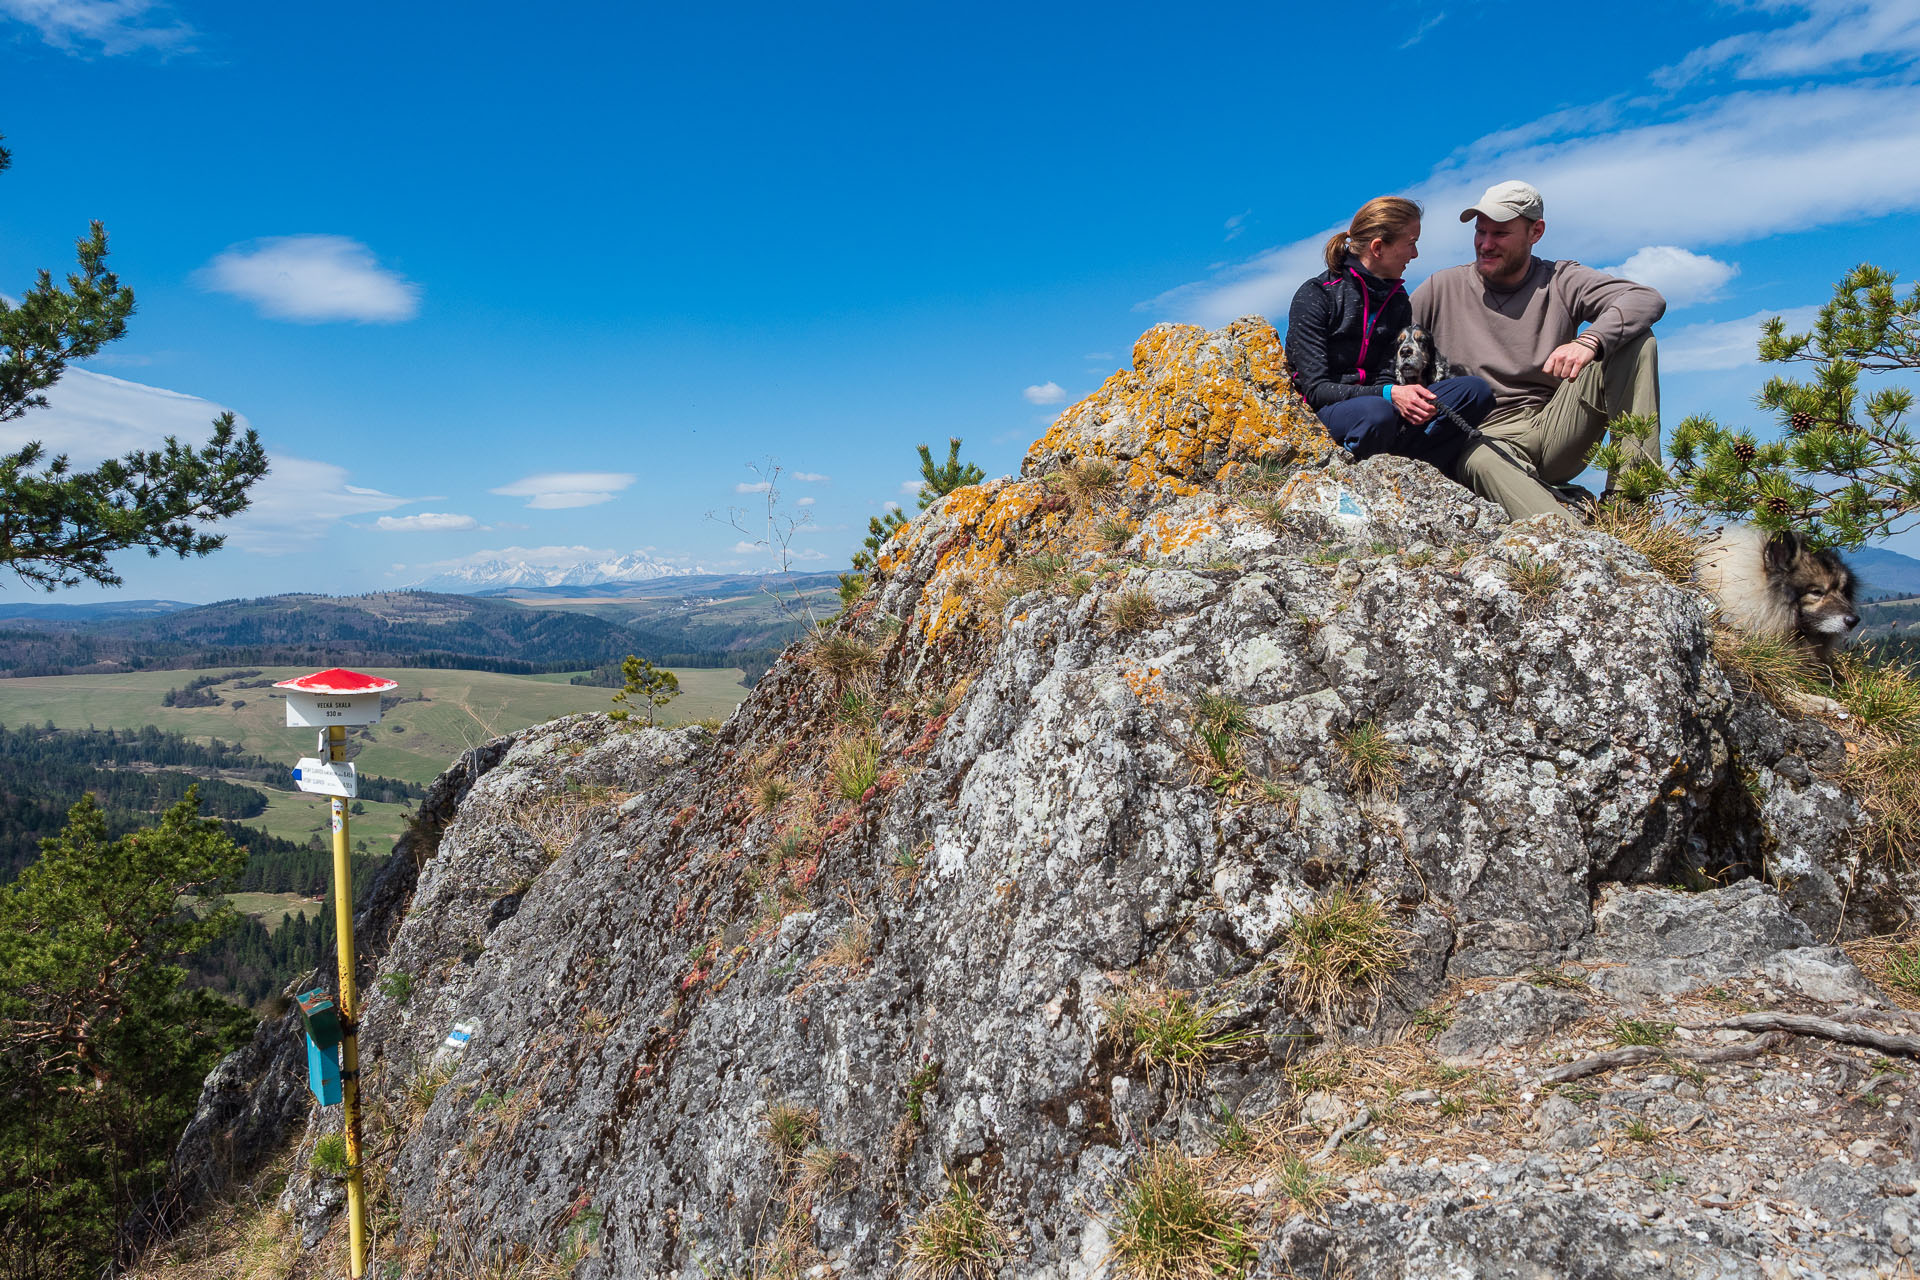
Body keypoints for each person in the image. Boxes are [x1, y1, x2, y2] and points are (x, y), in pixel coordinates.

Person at [1411, 180, 1665, 521]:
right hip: (1484, 439)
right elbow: (1388, 349)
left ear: (1536, 232)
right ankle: (1582, 545)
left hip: (1555, 428)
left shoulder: (1561, 279)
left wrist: (1589, 341)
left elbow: (1646, 299)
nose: (1485, 244)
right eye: (1480, 232)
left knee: (1636, 340)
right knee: (1481, 461)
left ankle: (1630, 503)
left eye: (1500, 233)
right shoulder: (1440, 288)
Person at [1287, 196, 1495, 475]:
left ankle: (1423, 470)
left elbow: (1388, 374)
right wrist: (1388, 394)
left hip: (1385, 407)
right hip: (1330, 413)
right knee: (1377, 414)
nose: (1415, 254)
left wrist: (1403, 396)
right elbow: (1315, 390)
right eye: (1411, 243)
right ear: (1378, 248)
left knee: (1475, 392)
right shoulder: (1317, 295)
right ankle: (1362, 472)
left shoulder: (1397, 300)